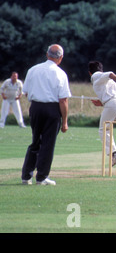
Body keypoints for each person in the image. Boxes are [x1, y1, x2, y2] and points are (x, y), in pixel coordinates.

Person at [21, 44, 71, 186]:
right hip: (52, 109)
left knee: (35, 141)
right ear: (60, 58)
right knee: (48, 144)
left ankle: (26, 176)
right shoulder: (60, 73)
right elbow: (63, 100)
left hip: (35, 107)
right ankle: (42, 177)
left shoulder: (33, 70)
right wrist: (65, 121)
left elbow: (25, 92)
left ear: (47, 54)